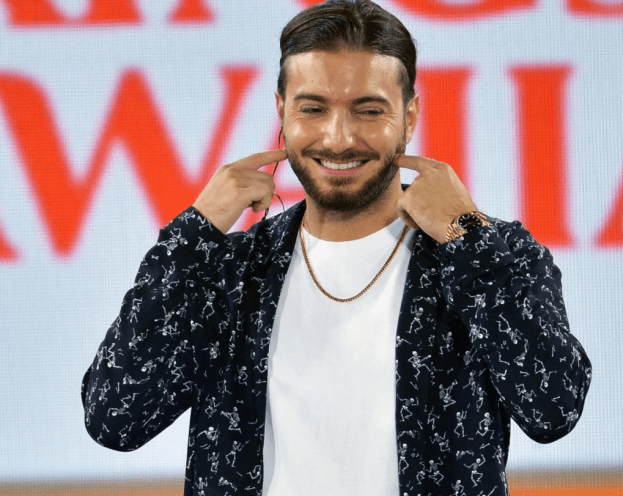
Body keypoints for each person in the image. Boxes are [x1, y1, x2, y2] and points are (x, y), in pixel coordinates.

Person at [81, 1, 592, 495]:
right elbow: (115, 419)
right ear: (282, 111)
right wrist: (192, 236)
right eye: (313, 109)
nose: (339, 137)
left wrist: (467, 236)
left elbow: (553, 409)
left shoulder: (489, 254)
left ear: (410, 116)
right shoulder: (229, 271)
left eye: (369, 110)